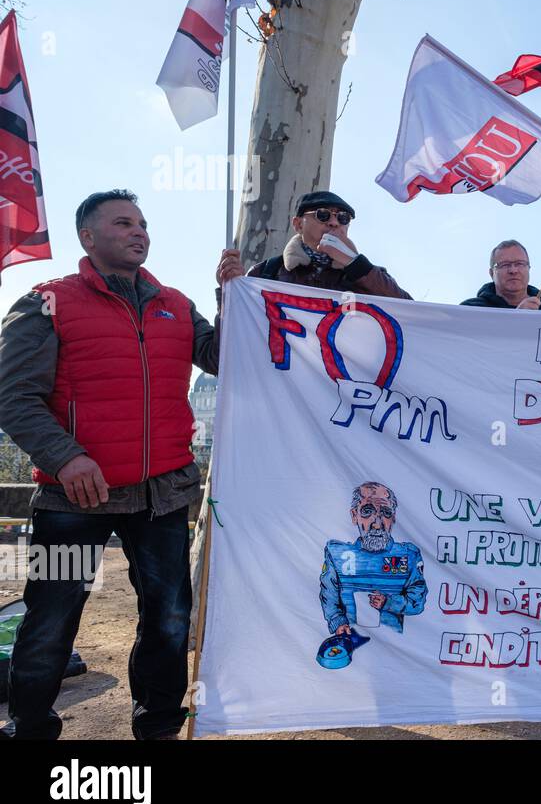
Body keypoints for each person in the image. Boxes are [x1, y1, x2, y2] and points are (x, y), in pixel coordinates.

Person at [0, 190, 221, 740]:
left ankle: (160, 727)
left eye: (143, 223)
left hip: (162, 496)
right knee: (51, 621)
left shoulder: (175, 303)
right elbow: (12, 394)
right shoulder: (47, 301)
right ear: (88, 237)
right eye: (123, 223)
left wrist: (232, 296)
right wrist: (65, 457)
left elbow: (225, 358)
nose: (139, 231)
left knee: (170, 620)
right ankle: (29, 728)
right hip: (75, 499)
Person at [217, 190, 411, 299]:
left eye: (342, 218)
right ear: (298, 224)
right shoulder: (267, 273)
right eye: (323, 214)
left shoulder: (367, 275)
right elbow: (232, 344)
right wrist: (230, 291)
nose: (334, 222)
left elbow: (411, 314)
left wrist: (354, 264)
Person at [319, 482, 427, 642]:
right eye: (367, 512)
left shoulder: (408, 555)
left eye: (386, 513)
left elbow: (417, 602)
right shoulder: (337, 554)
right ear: (354, 515)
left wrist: (388, 602)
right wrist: (337, 621)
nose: (377, 523)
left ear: (394, 518)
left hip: (396, 649)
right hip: (352, 646)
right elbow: (329, 592)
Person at [461, 240, 541, 310]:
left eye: (520, 263)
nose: (513, 270)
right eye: (505, 265)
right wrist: (516, 317)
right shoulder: (469, 310)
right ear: (492, 273)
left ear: (529, 269)